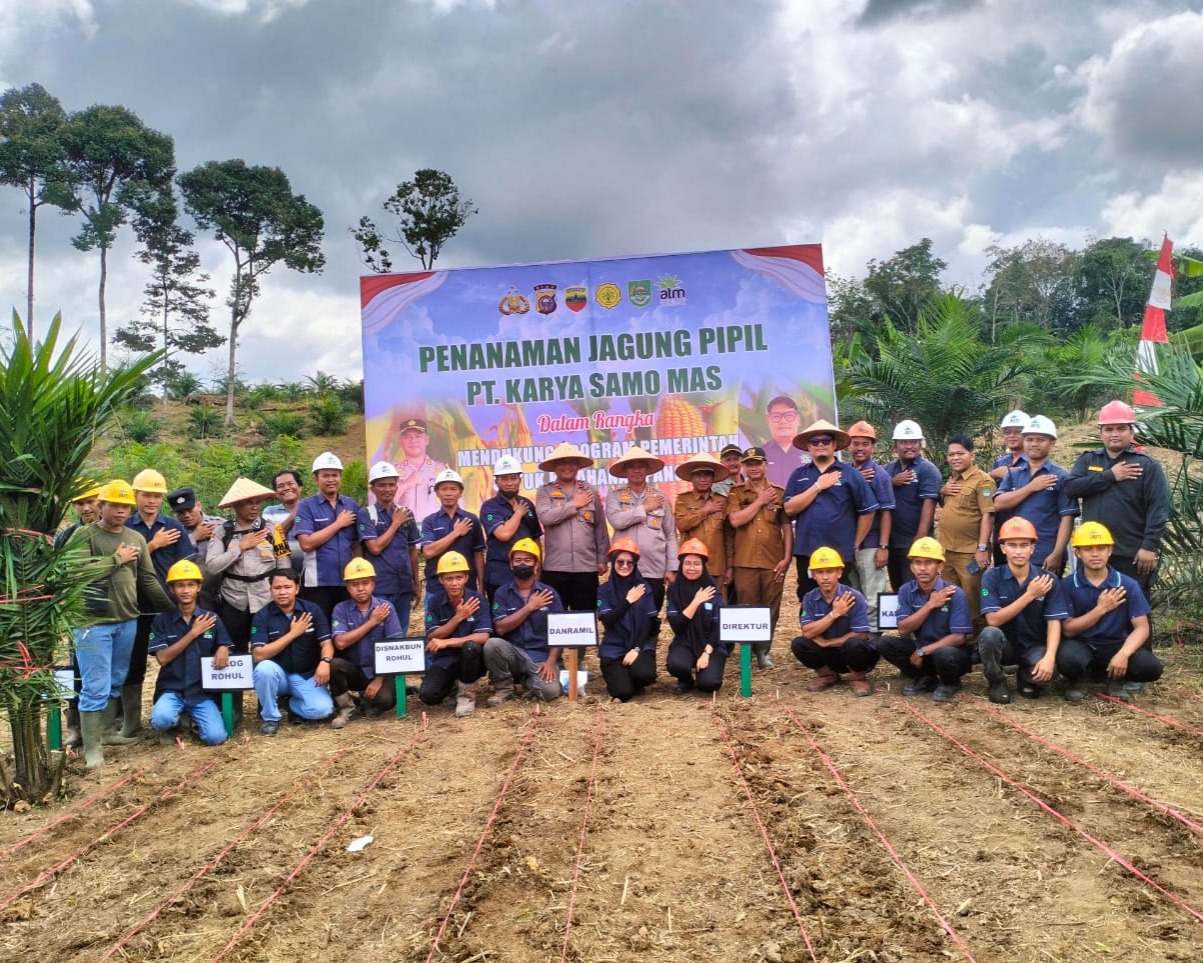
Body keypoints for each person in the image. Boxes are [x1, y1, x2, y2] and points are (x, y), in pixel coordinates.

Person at [74, 480, 173, 766]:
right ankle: (92, 748)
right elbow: (77, 572)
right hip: (93, 623)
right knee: (95, 685)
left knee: (116, 679)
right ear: (100, 505)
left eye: (125, 506)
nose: (120, 510)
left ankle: (106, 731)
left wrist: (169, 608)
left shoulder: (135, 537)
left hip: (127, 620)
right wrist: (117, 558)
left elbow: (146, 578)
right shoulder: (84, 536)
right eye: (114, 505)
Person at [1062, 400, 1169, 596]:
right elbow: (1070, 488)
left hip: (1131, 554)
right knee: (1090, 607)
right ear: (1101, 433)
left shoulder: (1146, 466)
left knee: (1134, 611)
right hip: (1092, 552)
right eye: (1109, 429)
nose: (1114, 434)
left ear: (1132, 432)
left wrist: (1149, 546)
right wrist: (1110, 476)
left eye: (1121, 429)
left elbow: (1158, 508)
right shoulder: (1089, 460)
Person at [124, 467, 195, 737]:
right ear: (136, 496)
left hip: (169, 607)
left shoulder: (173, 525)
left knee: (176, 658)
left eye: (156, 495)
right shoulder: (127, 527)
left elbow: (186, 564)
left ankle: (174, 715)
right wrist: (151, 545)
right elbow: (123, 563)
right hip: (135, 606)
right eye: (146, 495)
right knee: (133, 664)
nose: (152, 501)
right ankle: (130, 722)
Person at [1058, 522, 1163, 703]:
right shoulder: (1067, 585)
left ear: (1110, 550)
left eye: (1101, 548)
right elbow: (1068, 629)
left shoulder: (1128, 584)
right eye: (1088, 549)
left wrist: (1123, 654)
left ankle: (1115, 678)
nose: (1095, 553)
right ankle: (1080, 679)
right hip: (1084, 645)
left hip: (1116, 644)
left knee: (1151, 667)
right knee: (1066, 659)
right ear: (1078, 553)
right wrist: (1100, 609)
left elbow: (1142, 628)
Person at [783, 419, 876, 604]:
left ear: (834, 444)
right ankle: (810, 632)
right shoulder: (799, 475)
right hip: (807, 550)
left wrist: (856, 544)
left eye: (825, 440)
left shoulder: (850, 474)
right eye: (814, 442)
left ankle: (841, 633)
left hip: (840, 549)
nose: (820, 445)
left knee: (841, 596)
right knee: (808, 596)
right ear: (808, 446)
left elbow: (867, 511)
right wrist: (818, 486)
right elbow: (789, 508)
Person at [976, 517, 1067, 704]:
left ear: (1032, 548)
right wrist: (1030, 595)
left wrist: (1049, 657)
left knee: (1050, 673)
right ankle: (996, 680)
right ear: (1003, 548)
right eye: (1012, 545)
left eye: (1024, 545)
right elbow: (993, 620)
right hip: (1005, 644)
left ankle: (1025, 677)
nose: (1018, 551)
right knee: (989, 634)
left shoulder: (1047, 579)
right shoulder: (992, 577)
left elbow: (1054, 622)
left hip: (1034, 646)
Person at [201, 477, 291, 656]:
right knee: (235, 652)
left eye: (257, 502)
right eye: (248, 503)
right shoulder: (222, 532)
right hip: (234, 600)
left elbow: (285, 568)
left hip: (267, 599)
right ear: (236, 505)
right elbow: (212, 566)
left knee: (271, 650)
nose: (254, 507)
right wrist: (240, 547)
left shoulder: (273, 530)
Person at [147, 560, 232, 746]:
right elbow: (162, 658)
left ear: (199, 587)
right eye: (180, 586)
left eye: (191, 585)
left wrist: (223, 647)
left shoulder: (211, 618)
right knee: (161, 720)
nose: (185, 590)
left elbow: (224, 642)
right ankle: (174, 721)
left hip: (201, 692)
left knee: (215, 738)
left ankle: (189, 720)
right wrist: (193, 633)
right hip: (172, 689)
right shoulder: (162, 620)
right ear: (172, 589)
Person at [878, 538, 973, 702]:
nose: (922, 568)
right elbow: (903, 629)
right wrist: (930, 605)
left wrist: (924, 651)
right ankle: (924, 678)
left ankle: (951, 682)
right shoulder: (906, 590)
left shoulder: (955, 593)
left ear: (940, 567)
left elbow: (959, 637)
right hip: (920, 648)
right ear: (912, 567)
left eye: (928, 562)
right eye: (917, 562)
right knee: (884, 643)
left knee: (944, 653)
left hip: (951, 653)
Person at [726, 446, 792, 667]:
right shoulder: (736, 493)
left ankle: (764, 651)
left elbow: (785, 526)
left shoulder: (779, 492)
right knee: (746, 606)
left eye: (758, 463)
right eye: (749, 463)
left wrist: (787, 557)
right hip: (744, 561)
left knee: (771, 606)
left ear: (765, 464)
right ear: (744, 466)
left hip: (773, 560)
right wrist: (759, 501)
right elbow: (735, 521)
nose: (754, 467)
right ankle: (747, 651)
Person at [250, 569, 335, 735]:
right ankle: (270, 718)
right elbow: (258, 654)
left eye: (287, 587)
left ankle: (289, 705)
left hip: (305, 674)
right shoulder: (262, 616)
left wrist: (325, 662)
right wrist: (293, 633)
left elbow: (326, 642)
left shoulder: (312, 610)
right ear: (271, 590)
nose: (282, 592)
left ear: (296, 588)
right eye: (277, 587)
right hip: (278, 674)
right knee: (263, 669)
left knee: (322, 710)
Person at [992, 415, 1077, 576]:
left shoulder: (1060, 477)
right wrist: (1031, 487)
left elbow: (1067, 518)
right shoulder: (1013, 474)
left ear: (1052, 443)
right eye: (1029, 439)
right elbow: (998, 504)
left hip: (1045, 554)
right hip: (1014, 554)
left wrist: (1057, 553)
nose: (1034, 444)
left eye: (1040, 440)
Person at [483, 539, 564, 705]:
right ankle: (504, 687)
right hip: (513, 653)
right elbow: (500, 628)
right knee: (492, 645)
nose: (522, 564)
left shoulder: (549, 594)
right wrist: (529, 607)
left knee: (550, 692)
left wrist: (551, 661)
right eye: (518, 560)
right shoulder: (502, 593)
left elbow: (559, 632)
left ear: (536, 565)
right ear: (511, 564)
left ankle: (528, 680)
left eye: (527, 560)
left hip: (540, 656)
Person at [791, 546, 876, 696]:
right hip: (828, 654)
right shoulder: (809, 598)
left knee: (856, 644)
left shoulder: (854, 596)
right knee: (799, 644)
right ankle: (827, 675)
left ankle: (858, 677)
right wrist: (834, 614)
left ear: (839, 572)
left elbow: (861, 634)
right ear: (813, 575)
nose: (825, 577)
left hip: (849, 651)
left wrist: (828, 642)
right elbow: (808, 632)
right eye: (820, 572)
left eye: (830, 571)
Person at [329, 558, 404, 727]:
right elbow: (340, 643)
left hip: (381, 670)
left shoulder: (386, 607)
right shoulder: (340, 609)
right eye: (355, 584)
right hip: (355, 670)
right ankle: (346, 707)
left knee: (384, 701)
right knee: (334, 665)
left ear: (373, 585)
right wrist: (372, 622)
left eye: (366, 583)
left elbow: (394, 647)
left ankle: (367, 701)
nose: (361, 588)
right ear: (348, 587)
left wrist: (379, 679)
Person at [535, 441, 610, 612]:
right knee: (555, 618)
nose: (567, 466)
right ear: (554, 466)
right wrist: (574, 505)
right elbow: (545, 517)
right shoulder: (545, 491)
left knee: (585, 617)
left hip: (587, 567)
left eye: (571, 462)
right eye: (562, 462)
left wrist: (602, 558)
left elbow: (600, 527)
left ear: (578, 466)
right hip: (555, 568)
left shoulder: (589, 490)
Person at [55, 479, 101, 749]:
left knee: (110, 669)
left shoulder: (112, 531)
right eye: (80, 503)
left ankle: (109, 722)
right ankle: (74, 726)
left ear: (100, 502)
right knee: (76, 667)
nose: (86, 508)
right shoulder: (67, 536)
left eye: (90, 501)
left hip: (110, 608)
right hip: (78, 612)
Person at [605, 445, 678, 611]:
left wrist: (671, 567)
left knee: (652, 615)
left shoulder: (660, 497)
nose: (636, 470)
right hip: (624, 568)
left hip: (654, 568)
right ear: (625, 470)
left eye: (641, 466)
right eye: (631, 466)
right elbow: (617, 521)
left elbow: (670, 534)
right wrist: (644, 508)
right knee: (623, 614)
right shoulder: (615, 495)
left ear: (647, 470)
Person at [420, 551, 491, 717]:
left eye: (459, 578)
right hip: (446, 659)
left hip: (472, 659)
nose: (454, 583)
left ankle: (466, 696)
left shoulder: (478, 600)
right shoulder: (435, 601)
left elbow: (483, 637)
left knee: (471, 647)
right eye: (449, 579)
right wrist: (458, 617)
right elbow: (432, 635)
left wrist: (447, 642)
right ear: (441, 580)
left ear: (466, 578)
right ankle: (452, 685)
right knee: (428, 696)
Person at [938, 434, 995, 629]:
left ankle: (975, 639)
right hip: (948, 550)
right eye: (951, 454)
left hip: (970, 553)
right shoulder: (953, 479)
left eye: (960, 454)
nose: (955, 458)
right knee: (951, 595)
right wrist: (942, 491)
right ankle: (957, 633)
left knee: (972, 596)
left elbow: (988, 516)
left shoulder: (983, 482)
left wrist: (982, 548)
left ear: (972, 455)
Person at [295, 452, 360, 620]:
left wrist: (358, 573)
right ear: (316, 478)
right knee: (320, 633)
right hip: (317, 583)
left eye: (335, 475)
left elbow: (356, 544)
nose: (331, 479)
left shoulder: (350, 505)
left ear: (340, 477)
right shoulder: (306, 506)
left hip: (347, 581)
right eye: (325, 475)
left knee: (346, 629)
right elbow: (306, 544)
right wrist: (338, 524)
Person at [358, 461, 421, 632]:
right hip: (379, 588)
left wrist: (416, 583)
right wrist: (395, 524)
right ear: (373, 488)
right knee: (379, 634)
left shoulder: (406, 513)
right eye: (382, 485)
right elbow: (375, 548)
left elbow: (412, 551)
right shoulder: (366, 514)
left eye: (391, 484)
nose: (387, 489)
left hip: (403, 587)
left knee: (401, 632)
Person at [596, 539, 660, 702]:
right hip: (614, 646)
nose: (625, 566)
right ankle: (621, 679)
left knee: (645, 675)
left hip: (639, 645)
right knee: (623, 693)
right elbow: (608, 620)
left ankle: (634, 677)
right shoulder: (604, 590)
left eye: (629, 563)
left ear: (635, 564)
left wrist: (637, 648)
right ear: (613, 562)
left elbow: (650, 623)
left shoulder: (644, 588)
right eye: (620, 562)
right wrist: (627, 601)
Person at [844, 421, 893, 631]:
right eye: (855, 443)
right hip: (848, 543)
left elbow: (886, 512)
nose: (860, 448)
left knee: (873, 594)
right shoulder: (845, 472)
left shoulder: (879, 475)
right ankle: (859, 632)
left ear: (872, 447)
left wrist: (883, 546)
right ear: (849, 446)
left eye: (865, 443)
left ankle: (874, 636)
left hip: (871, 543)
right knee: (853, 591)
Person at [884, 420, 941, 592]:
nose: (909, 446)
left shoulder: (927, 470)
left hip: (913, 542)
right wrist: (891, 482)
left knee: (916, 589)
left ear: (920, 444)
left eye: (913, 442)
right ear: (895, 446)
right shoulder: (888, 469)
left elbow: (929, 503)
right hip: (893, 542)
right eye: (903, 442)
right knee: (898, 588)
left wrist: (920, 539)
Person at [665, 539, 728, 695]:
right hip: (684, 642)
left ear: (703, 566)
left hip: (710, 644)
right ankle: (686, 679)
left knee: (709, 684)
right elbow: (677, 626)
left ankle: (704, 673)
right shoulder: (674, 590)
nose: (691, 568)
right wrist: (696, 601)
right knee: (675, 665)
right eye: (687, 563)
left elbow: (718, 624)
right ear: (681, 565)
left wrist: (707, 653)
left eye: (696, 564)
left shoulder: (712, 588)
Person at [480, 454, 543, 601]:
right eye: (504, 479)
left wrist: (538, 570)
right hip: (499, 574)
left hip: (527, 572)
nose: (509, 483)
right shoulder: (489, 507)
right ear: (496, 481)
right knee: (500, 620)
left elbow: (536, 538)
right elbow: (504, 534)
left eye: (513, 478)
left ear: (520, 480)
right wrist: (519, 513)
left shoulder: (527, 504)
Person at [420, 468, 486, 595]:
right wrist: (456, 533)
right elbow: (428, 552)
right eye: (444, 489)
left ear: (461, 492)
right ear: (437, 492)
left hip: (467, 588)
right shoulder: (429, 521)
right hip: (436, 588)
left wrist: (482, 586)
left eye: (453, 489)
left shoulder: (471, 519)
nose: (448, 493)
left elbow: (478, 554)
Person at [672, 452, 733, 581]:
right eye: (698, 475)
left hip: (717, 567)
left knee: (718, 600)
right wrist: (704, 511)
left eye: (707, 475)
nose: (703, 479)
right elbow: (682, 525)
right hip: (691, 567)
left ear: (713, 478)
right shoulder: (683, 500)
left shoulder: (723, 501)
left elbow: (728, 536)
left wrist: (730, 566)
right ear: (691, 478)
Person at [990, 409, 1029, 566]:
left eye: (1017, 432)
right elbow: (989, 487)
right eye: (1007, 432)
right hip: (1001, 526)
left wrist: (1006, 473)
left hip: (1025, 526)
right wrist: (993, 473)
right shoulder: (1000, 462)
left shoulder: (1033, 460)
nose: (1011, 436)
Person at [393, 417, 447, 524]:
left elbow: (457, 504)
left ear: (426, 440)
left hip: (435, 532)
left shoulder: (443, 471)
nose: (413, 441)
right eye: (407, 437)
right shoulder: (392, 473)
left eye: (418, 436)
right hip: (405, 531)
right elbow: (381, 505)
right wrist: (405, 484)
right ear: (400, 441)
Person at [762, 395, 807, 489]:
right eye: (776, 416)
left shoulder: (811, 450)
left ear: (798, 419)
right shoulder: (761, 454)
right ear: (768, 421)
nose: (783, 421)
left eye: (789, 416)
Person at [266, 469, 304, 576]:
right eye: (281, 486)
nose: (286, 488)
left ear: (300, 487)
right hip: (281, 574)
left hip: (310, 571)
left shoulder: (311, 508)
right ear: (276, 493)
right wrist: (292, 517)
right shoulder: (270, 511)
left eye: (290, 483)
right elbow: (269, 537)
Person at [167, 487, 224, 553]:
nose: (187, 515)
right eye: (181, 512)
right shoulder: (173, 533)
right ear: (174, 513)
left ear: (199, 506)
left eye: (190, 510)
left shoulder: (220, 524)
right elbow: (171, 555)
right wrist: (193, 537)